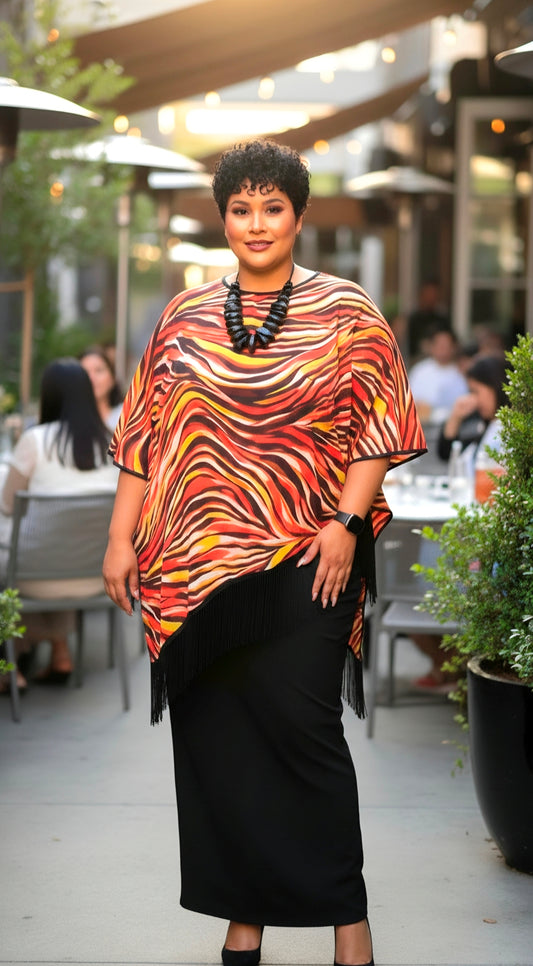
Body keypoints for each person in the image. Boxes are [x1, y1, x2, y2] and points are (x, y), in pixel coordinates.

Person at [102, 139, 426, 966]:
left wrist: (346, 527)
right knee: (219, 746)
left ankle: (347, 926)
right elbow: (143, 436)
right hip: (193, 570)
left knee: (305, 737)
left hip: (308, 558)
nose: (256, 223)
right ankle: (242, 920)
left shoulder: (348, 310)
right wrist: (118, 537)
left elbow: (378, 429)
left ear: (299, 216)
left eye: (271, 207)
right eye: (240, 209)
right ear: (222, 218)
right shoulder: (183, 315)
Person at [0, 359, 118, 691]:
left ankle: (8, 668)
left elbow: (8, 504)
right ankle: (60, 652)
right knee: (62, 547)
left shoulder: (35, 441)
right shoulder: (114, 442)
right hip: (95, 578)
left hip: (33, 579)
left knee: (21, 559)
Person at [412, 354, 509, 691]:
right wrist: (456, 415)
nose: (475, 398)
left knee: (425, 584)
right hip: (470, 524)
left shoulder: (504, 429)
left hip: (480, 534)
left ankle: (451, 667)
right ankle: (449, 667)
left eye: (478, 390)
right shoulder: (485, 424)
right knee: (424, 574)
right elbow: (445, 451)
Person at [408, 327, 468, 425]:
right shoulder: (419, 371)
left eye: (446, 345)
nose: (442, 349)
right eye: (439, 345)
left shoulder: (461, 372)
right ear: (432, 347)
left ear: (453, 347)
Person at [79, 345, 124, 431]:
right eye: (84, 372)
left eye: (99, 370)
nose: (91, 378)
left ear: (113, 377)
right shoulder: (69, 424)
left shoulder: (127, 416)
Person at [406, 279, 450, 362]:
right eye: (428, 294)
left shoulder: (442, 319)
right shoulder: (413, 320)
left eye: (434, 294)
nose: (431, 298)